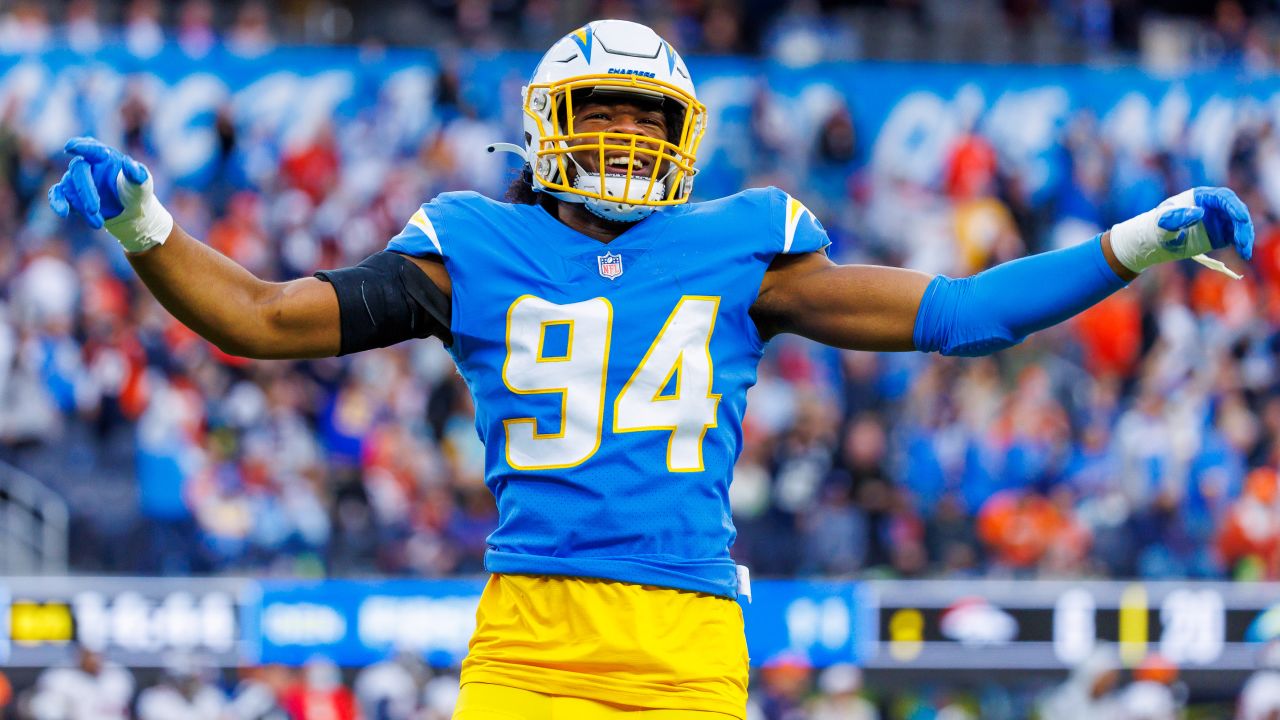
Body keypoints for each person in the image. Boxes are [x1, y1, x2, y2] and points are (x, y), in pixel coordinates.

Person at [48, 19, 1255, 720]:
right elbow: (262, 318)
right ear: (547, 120)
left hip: (685, 634)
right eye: (604, 112)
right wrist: (144, 224)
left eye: (647, 119)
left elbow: (968, 313)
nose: (626, 137)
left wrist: (1138, 239)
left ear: (682, 143)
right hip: (529, 633)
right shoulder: (472, 242)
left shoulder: (742, 246)